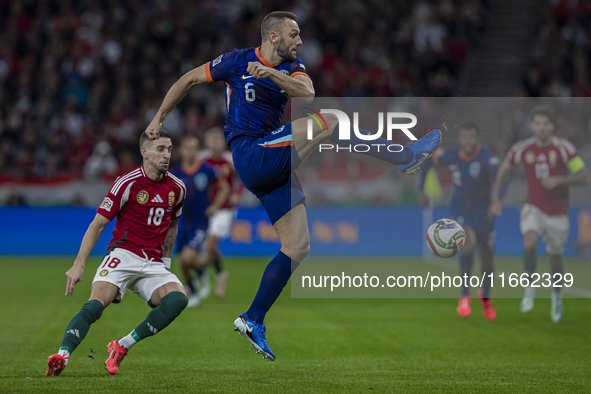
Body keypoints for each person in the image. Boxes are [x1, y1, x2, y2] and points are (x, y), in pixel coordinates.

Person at [145, 11, 441, 361]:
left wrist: (270, 73)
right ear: (273, 37)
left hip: (275, 161)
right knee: (330, 120)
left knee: (298, 245)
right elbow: (189, 80)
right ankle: (405, 158)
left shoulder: (291, 66)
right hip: (252, 152)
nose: (299, 41)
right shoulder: (236, 61)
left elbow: (308, 93)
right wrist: (159, 117)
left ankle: (253, 319)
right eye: (294, 35)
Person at [45, 131, 189, 376]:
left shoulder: (177, 187)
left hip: (152, 262)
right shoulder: (128, 182)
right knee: (97, 303)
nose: (167, 155)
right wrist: (79, 264)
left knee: (179, 299)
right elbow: (98, 224)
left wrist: (165, 262)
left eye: (169, 149)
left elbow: (172, 225)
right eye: (161, 149)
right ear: (144, 152)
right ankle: (63, 355)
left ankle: (122, 345)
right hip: (123, 255)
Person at [489, 105, 590, 323]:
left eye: (546, 123)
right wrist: (496, 199)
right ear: (532, 125)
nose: (541, 128)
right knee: (529, 242)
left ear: (552, 126)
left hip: (558, 212)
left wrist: (560, 180)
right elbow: (504, 170)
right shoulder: (522, 149)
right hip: (532, 206)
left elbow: (584, 176)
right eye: (537, 123)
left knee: (554, 258)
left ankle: (556, 297)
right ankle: (529, 289)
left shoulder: (564, 149)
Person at [419, 123, 500, 320]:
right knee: (468, 242)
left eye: (472, 137)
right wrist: (421, 190)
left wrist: (496, 201)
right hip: (462, 210)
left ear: (477, 139)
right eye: (464, 137)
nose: (468, 141)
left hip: (484, 213)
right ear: (460, 139)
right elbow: (427, 161)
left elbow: (499, 180)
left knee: (487, 260)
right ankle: (464, 295)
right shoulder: (452, 155)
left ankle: (486, 298)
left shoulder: (488, 158)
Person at [169, 135, 229, 307]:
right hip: (181, 222)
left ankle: (202, 273)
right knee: (182, 262)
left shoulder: (207, 170)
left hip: (200, 222)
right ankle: (193, 292)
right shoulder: (174, 173)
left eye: (193, 148)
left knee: (188, 258)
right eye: (187, 148)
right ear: (181, 151)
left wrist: (215, 206)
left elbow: (224, 187)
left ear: (198, 151)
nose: (190, 151)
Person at [196, 127, 244, 298]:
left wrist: (237, 194)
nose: (216, 143)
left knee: (209, 244)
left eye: (219, 140)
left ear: (223, 143)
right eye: (212, 140)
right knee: (210, 246)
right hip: (204, 209)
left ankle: (200, 273)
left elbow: (245, 177)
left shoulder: (230, 159)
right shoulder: (200, 159)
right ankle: (221, 275)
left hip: (224, 210)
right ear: (207, 143)